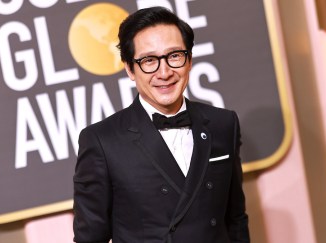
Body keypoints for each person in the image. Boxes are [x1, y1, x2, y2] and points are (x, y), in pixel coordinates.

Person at [73, 6, 250, 243]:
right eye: (149, 60)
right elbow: (90, 238)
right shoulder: (102, 141)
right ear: (130, 69)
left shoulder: (223, 124)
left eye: (174, 56)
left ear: (189, 61)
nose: (164, 72)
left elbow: (235, 218)